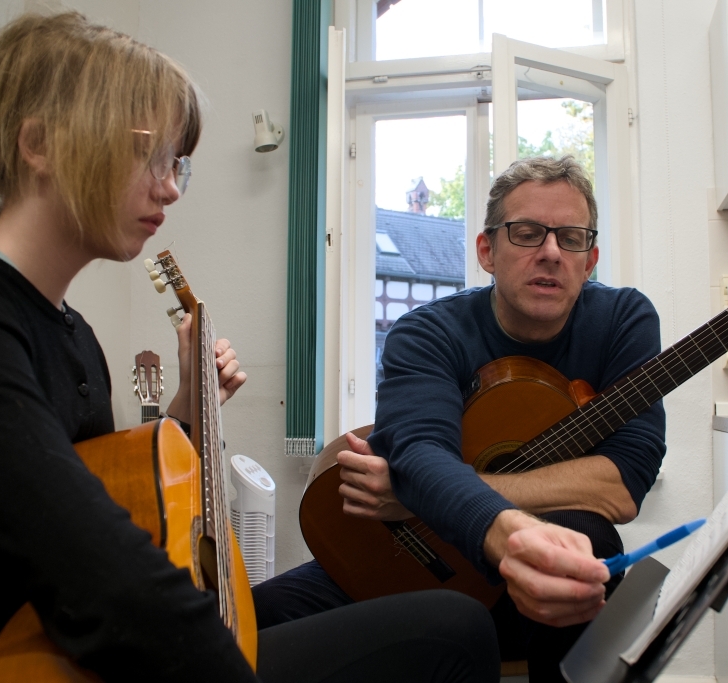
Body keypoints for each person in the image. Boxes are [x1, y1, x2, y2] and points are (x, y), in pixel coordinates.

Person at [0, 12, 500, 683]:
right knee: (450, 631)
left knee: (452, 621)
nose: (171, 186)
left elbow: (115, 504)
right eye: (148, 154)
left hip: (82, 652)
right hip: (21, 666)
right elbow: (94, 569)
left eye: (177, 164)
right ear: (39, 143)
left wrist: (184, 407)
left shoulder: (73, 333)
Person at [254, 156, 667, 682]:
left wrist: (422, 493)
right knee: (243, 627)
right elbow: (421, 453)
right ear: (486, 251)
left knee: (587, 541)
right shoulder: (428, 333)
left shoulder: (623, 321)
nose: (550, 252)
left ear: (591, 260)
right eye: (526, 233)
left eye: (571, 238)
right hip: (407, 558)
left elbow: (621, 486)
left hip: (524, 595)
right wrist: (427, 481)